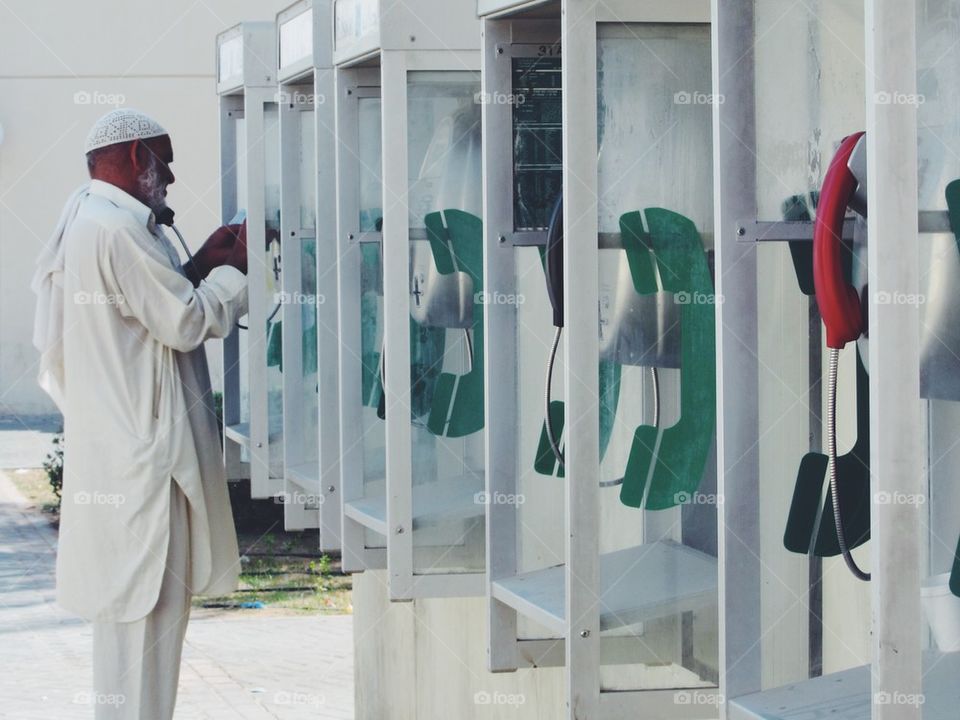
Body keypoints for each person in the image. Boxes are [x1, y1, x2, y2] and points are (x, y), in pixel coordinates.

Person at [31, 108, 249, 719]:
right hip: (147, 471)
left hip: (131, 461)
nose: (172, 178)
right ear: (135, 157)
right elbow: (183, 322)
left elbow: (150, 307)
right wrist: (239, 272)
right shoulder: (115, 228)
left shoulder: (97, 219)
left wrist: (200, 264)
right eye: (166, 160)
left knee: (139, 635)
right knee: (145, 630)